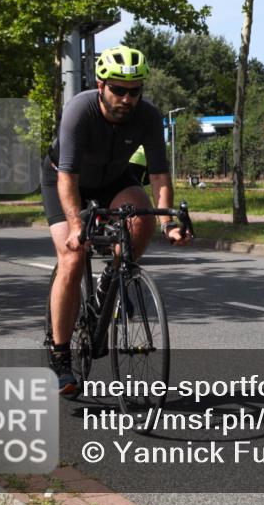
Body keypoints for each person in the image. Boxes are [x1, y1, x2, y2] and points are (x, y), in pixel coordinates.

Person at [42, 45, 191, 395]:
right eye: (118, 90)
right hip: (64, 179)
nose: (127, 98)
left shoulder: (149, 117)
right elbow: (67, 177)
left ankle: (114, 276)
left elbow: (158, 174)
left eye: (134, 91)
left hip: (113, 179)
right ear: (101, 85)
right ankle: (61, 357)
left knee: (142, 218)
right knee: (72, 255)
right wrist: (77, 227)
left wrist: (169, 221)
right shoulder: (80, 110)